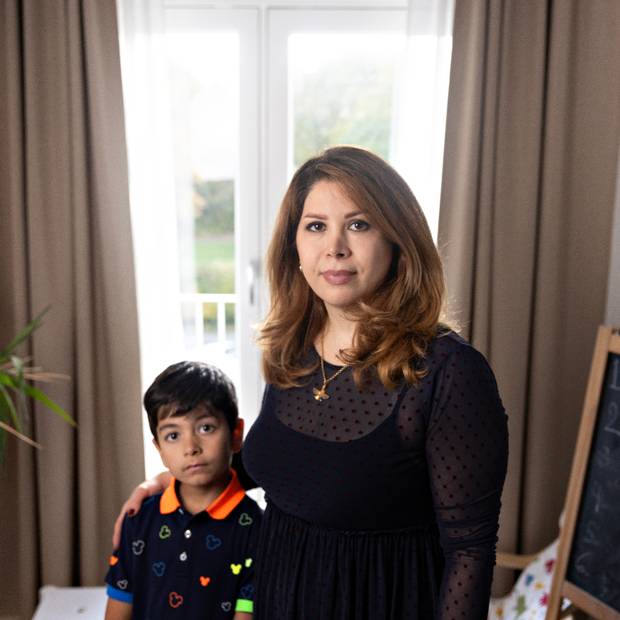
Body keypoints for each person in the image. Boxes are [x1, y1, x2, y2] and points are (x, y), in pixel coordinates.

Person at [114, 146, 508, 619]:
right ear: (295, 246)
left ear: (398, 241)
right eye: (316, 226)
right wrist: (172, 479)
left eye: (358, 224)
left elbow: (470, 550)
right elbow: (291, 467)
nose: (334, 247)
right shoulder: (293, 347)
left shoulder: (448, 371)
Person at [106, 361, 262, 620]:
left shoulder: (256, 528)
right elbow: (119, 607)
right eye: (173, 436)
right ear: (159, 449)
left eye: (206, 428)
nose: (191, 447)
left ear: (236, 434)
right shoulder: (139, 520)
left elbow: (246, 611)